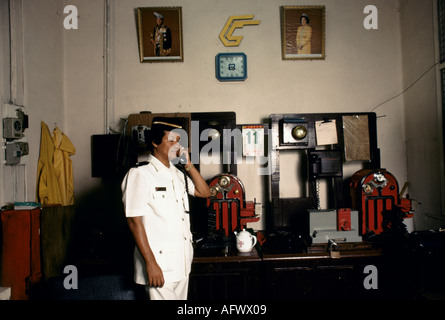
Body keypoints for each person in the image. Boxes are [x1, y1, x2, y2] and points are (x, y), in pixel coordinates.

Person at [121, 118, 211, 300]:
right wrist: (151, 263)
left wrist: (189, 165)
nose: (176, 146)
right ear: (154, 142)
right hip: (159, 264)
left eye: (178, 140)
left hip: (182, 261)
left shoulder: (178, 174)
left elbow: (204, 192)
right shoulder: (140, 174)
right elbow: (133, 221)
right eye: (171, 140)